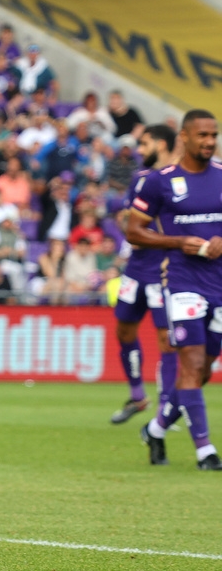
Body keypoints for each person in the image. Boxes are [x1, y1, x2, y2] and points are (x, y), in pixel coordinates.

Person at [128, 109, 222, 470]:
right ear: (184, 137)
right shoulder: (160, 181)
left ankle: (156, 427)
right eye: (202, 135)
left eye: (213, 135)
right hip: (182, 281)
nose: (209, 141)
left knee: (203, 371)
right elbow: (134, 231)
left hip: (219, 282)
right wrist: (179, 240)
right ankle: (205, 450)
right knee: (192, 361)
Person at [110, 125, 176, 426]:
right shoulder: (140, 178)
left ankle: (167, 408)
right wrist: (129, 225)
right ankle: (138, 396)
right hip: (136, 268)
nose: (138, 149)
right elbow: (128, 219)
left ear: (161, 145)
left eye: (144, 143)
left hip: (164, 269)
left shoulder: (179, 178)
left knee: (167, 340)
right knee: (124, 330)